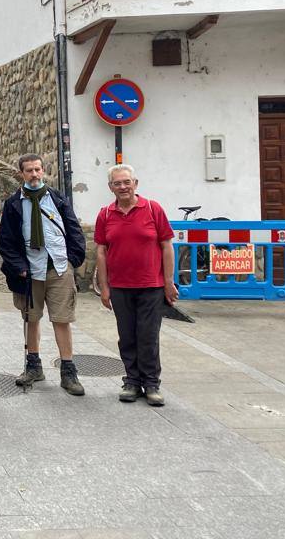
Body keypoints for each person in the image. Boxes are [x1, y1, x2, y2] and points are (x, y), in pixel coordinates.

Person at [0, 154, 87, 396]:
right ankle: (34, 366)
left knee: (62, 318)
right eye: (29, 171)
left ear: (44, 170)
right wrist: (19, 267)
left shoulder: (57, 199)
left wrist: (72, 261)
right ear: (21, 174)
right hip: (29, 271)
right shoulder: (14, 203)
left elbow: (74, 230)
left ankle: (68, 371)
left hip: (58, 267)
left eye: (38, 170)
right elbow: (5, 241)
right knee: (31, 318)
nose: (34, 175)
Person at [95, 164, 177, 406]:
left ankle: (151, 384)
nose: (123, 187)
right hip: (120, 287)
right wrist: (104, 287)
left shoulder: (153, 209)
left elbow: (166, 245)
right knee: (127, 336)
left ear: (135, 183)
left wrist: (169, 282)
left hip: (151, 285)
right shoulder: (106, 214)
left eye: (126, 182)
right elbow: (101, 252)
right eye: (117, 183)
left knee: (148, 336)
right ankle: (132, 381)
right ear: (111, 187)